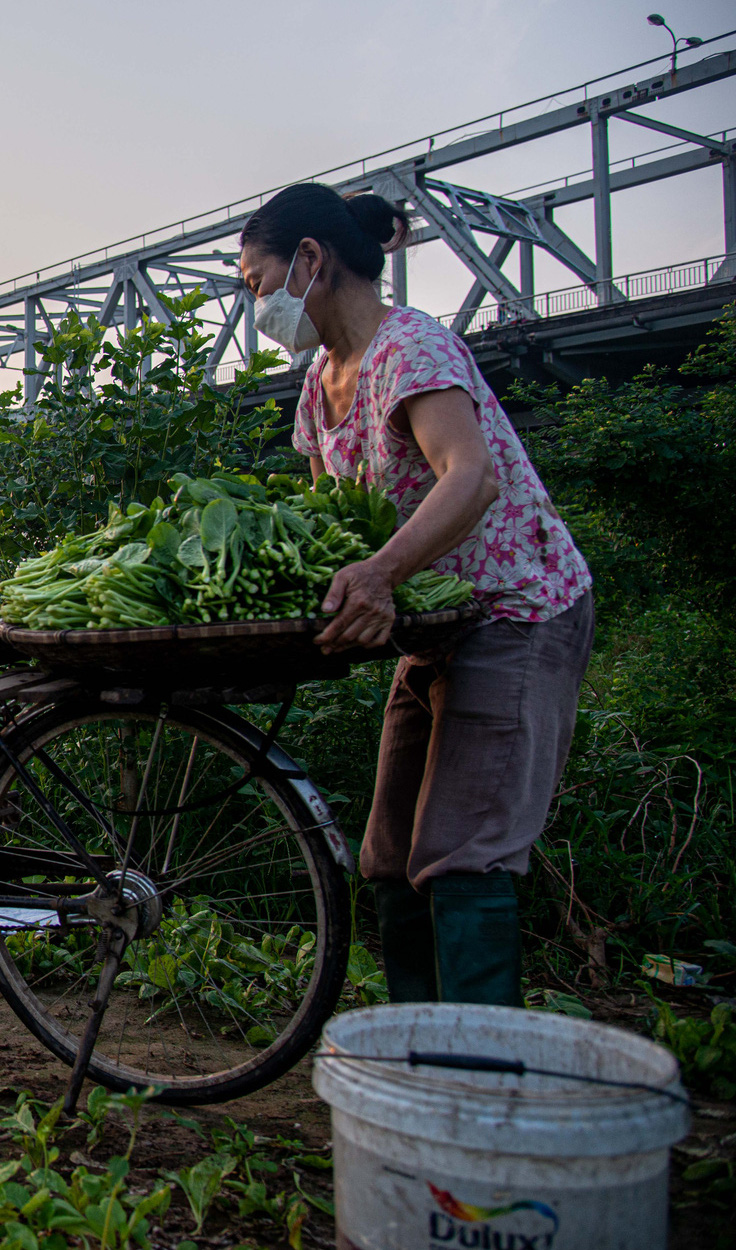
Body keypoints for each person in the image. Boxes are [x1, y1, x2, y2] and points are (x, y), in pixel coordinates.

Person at [235, 183, 594, 1008]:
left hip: (518, 608)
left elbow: (470, 477)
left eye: (258, 285)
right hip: (434, 625)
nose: (257, 308)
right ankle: (414, 1053)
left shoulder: (411, 348)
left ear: (312, 263)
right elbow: (338, 525)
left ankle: (470, 1084)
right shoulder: (319, 383)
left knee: (462, 852)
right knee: (390, 854)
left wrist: (379, 574)